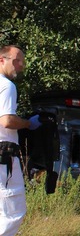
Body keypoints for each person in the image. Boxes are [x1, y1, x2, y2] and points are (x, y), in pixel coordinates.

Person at [0, 45, 41, 235]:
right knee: (12, 212)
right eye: (17, 60)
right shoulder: (6, 86)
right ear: (2, 60)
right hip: (4, 158)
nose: (21, 65)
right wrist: (27, 123)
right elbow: (7, 121)